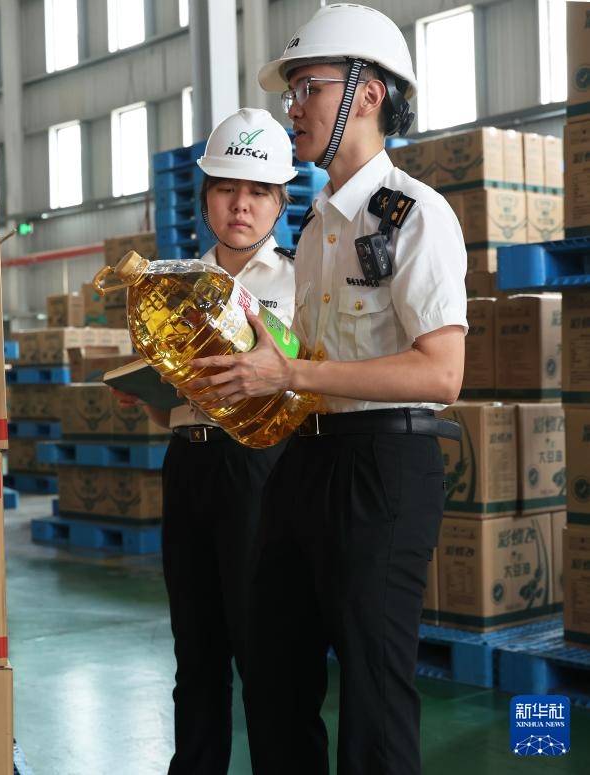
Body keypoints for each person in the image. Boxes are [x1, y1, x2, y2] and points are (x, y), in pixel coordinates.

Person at [187, 5, 468, 774]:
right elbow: (306, 360)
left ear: (367, 94)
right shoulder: (316, 229)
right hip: (301, 461)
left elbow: (440, 373)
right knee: (272, 674)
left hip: (381, 468)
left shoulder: (413, 215)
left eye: (307, 87)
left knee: (372, 693)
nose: (293, 107)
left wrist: (291, 373)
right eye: (292, 91)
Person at [114, 108, 297, 773]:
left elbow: (308, 384)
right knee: (194, 650)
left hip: (262, 469)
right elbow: (171, 393)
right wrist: (146, 392)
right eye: (225, 188)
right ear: (206, 198)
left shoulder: (300, 283)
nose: (240, 205)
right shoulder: (174, 285)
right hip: (187, 461)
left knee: (265, 650)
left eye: (257, 192)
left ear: (279, 202)